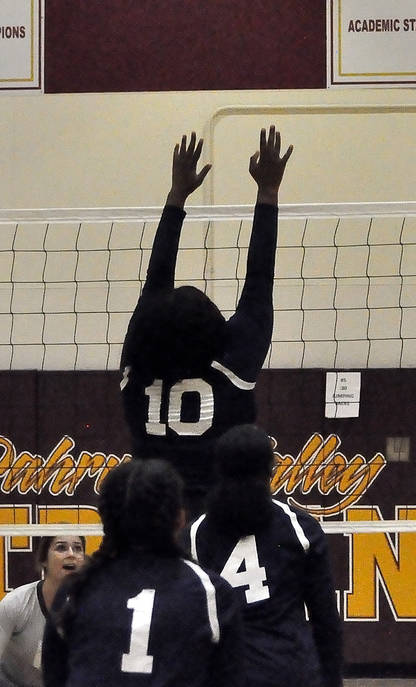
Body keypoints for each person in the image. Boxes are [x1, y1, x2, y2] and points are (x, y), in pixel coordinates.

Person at [120, 127, 292, 517]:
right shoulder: (231, 371)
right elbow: (259, 279)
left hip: (149, 519)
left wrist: (176, 194)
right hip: (218, 523)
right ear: (217, 330)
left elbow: (154, 283)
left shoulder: (136, 370)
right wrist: (267, 193)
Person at [41, 459, 243, 687]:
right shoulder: (210, 593)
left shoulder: (76, 589)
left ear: (106, 521)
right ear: (180, 518)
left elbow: (54, 677)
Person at [186, 424, 342, 687]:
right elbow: (325, 619)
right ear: (270, 469)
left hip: (225, 674)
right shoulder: (299, 528)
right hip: (290, 671)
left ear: (218, 469)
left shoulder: (195, 534)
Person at [0, 536, 85, 687]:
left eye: (78, 548)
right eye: (61, 547)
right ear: (43, 560)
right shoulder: (16, 604)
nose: (71, 554)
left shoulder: (92, 608)